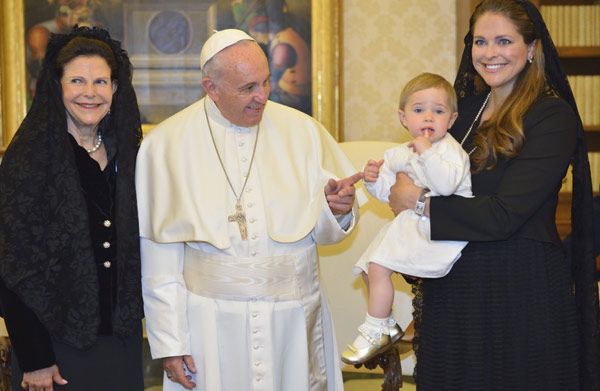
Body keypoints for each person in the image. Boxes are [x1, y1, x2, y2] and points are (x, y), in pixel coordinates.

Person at [388, 0, 600, 389]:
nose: (490, 53)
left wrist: (418, 202)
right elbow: (420, 175)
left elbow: (504, 214)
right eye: (480, 41)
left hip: (520, 292)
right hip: (454, 292)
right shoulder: (458, 112)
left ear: (532, 47)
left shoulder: (552, 117)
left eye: (504, 40)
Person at [136, 29, 362, 391]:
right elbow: (159, 258)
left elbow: (325, 226)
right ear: (211, 87)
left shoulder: (303, 131)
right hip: (209, 326)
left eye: (266, 82)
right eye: (247, 88)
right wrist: (170, 343)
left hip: (294, 319)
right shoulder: (165, 145)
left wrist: (338, 210)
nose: (262, 97)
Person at [0, 26, 144, 390]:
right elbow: (10, 266)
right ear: (57, 86)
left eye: (101, 82)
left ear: (115, 88)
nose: (90, 93)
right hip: (52, 350)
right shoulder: (29, 160)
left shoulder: (129, 155)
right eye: (77, 81)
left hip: (121, 346)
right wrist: (34, 359)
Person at [341, 73, 472, 365]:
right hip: (413, 223)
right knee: (368, 268)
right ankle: (384, 322)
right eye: (418, 110)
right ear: (403, 118)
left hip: (442, 230)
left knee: (378, 265)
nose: (428, 117)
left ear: (450, 120)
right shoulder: (401, 152)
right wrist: (373, 179)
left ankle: (375, 328)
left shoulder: (451, 151)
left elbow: (447, 185)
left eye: (438, 111)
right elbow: (391, 195)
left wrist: (426, 152)